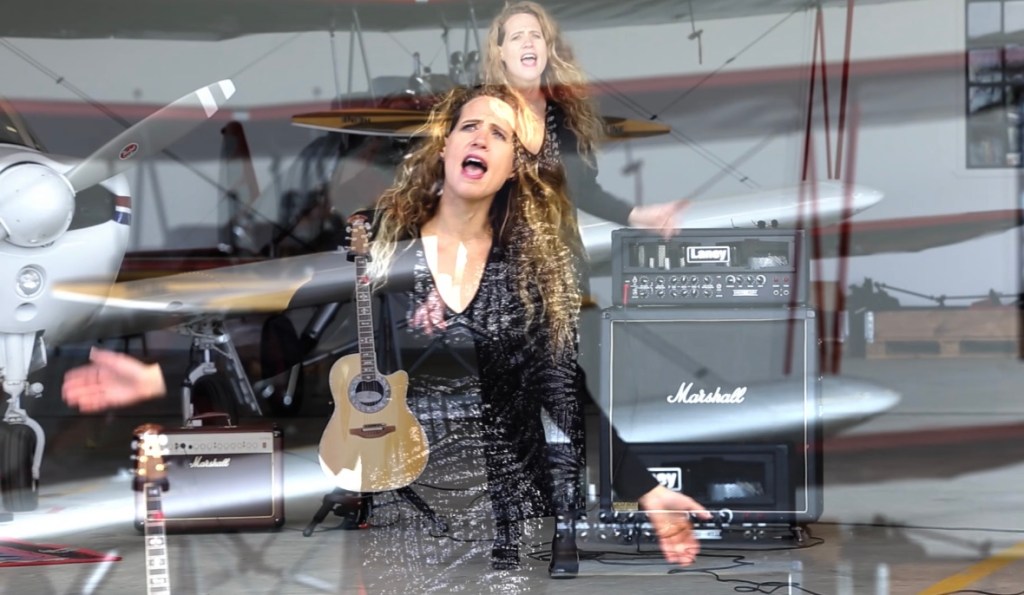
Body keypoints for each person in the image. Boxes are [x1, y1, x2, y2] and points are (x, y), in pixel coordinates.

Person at [63, 85, 705, 589]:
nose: (481, 138)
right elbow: (289, 341)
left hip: (506, 512)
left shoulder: (523, 269)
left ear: (514, 167)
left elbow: (563, 391)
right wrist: (159, 374)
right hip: (407, 502)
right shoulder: (384, 248)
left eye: (501, 133)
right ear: (446, 148)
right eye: (470, 126)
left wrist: (647, 489)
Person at [483, 0, 710, 562]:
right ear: (500, 52)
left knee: (564, 396)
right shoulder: (483, 115)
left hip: (557, 273)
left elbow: (585, 192)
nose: (528, 43)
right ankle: (510, 531)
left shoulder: (563, 118)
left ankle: (566, 529)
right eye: (517, 36)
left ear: (547, 48)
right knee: (504, 406)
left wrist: (641, 214)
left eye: (536, 35)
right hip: (494, 277)